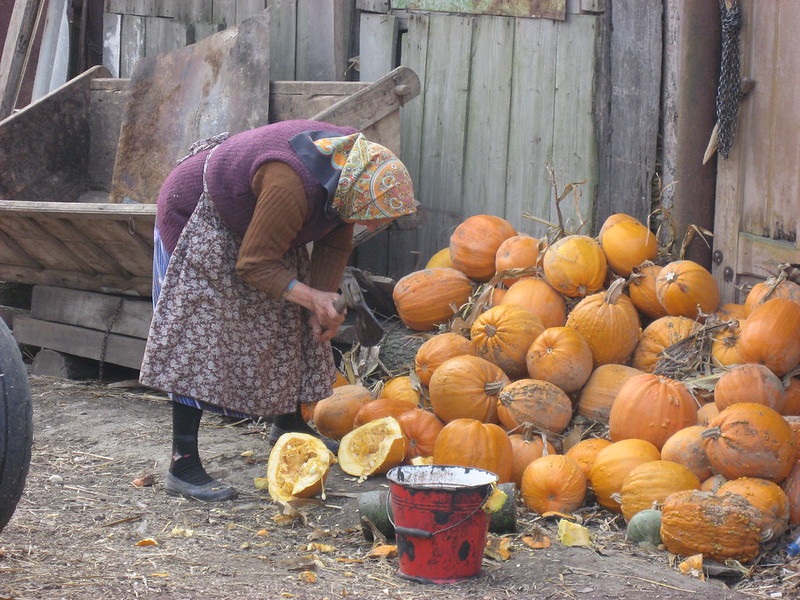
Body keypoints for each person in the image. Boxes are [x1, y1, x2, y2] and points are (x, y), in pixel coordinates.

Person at [139, 119, 417, 502]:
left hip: (255, 216)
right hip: (197, 212)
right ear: (353, 193)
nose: (377, 225)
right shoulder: (291, 183)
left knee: (290, 321)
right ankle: (182, 463)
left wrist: (319, 304)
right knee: (201, 335)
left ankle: (288, 426)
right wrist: (312, 297)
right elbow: (253, 264)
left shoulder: (350, 172)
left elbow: (336, 241)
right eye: (375, 218)